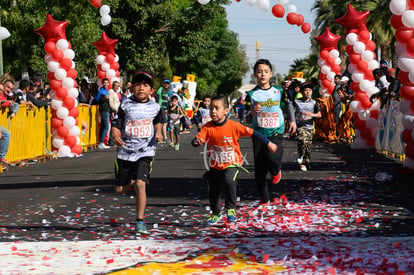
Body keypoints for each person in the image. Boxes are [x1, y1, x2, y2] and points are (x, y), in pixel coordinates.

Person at [192, 94, 277, 225]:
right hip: (215, 165)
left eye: (216, 108)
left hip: (232, 162)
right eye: (211, 109)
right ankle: (216, 213)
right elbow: (200, 138)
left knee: (229, 181)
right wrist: (197, 142)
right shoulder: (207, 127)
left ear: (226, 110)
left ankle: (231, 209)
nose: (213, 111)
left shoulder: (234, 126)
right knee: (213, 190)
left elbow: (253, 133)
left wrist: (268, 143)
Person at [110, 70, 162, 235]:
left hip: (145, 151)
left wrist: (159, 132)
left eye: (145, 85)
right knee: (120, 190)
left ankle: (139, 221)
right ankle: (129, 181)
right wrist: (115, 135)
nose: (141, 88)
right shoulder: (125, 105)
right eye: (138, 84)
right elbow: (116, 124)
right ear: (132, 88)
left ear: (151, 90)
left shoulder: (155, 107)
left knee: (141, 184)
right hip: (125, 152)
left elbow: (159, 123)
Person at [244, 59, 296, 206]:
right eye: (259, 72)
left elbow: (288, 106)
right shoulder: (251, 94)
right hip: (259, 134)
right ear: (255, 74)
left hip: (276, 131)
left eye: (265, 72)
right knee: (259, 169)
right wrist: (253, 112)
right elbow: (246, 118)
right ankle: (264, 200)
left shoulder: (279, 91)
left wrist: (292, 121)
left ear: (271, 74)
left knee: (273, 159)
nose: (262, 74)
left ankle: (275, 171)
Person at [294, 83, 322, 171]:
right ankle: (300, 154)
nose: (308, 92)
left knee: (308, 146)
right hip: (300, 125)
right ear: (302, 92)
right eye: (306, 90)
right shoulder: (296, 102)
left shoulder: (314, 103)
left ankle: (304, 163)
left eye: (309, 90)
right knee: (302, 139)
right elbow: (291, 112)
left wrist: (312, 114)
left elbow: (320, 114)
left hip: (309, 126)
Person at [96, 78, 111, 149]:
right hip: (103, 110)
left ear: (108, 84)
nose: (106, 84)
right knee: (106, 126)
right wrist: (103, 99)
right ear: (102, 83)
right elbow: (96, 101)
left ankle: (101, 142)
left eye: (107, 83)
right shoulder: (100, 91)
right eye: (104, 83)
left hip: (107, 109)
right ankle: (101, 142)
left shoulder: (107, 91)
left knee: (103, 126)